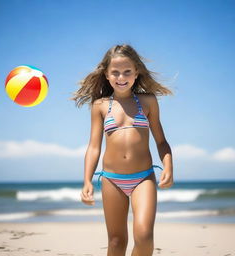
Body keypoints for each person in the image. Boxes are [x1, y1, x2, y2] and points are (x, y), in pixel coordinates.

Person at [72, 44, 174, 256]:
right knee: (117, 243)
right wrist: (87, 180)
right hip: (112, 180)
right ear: (107, 75)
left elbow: (161, 141)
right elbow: (93, 147)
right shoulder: (100, 105)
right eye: (115, 72)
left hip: (143, 178)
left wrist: (168, 167)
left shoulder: (148, 102)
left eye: (127, 71)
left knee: (144, 238)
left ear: (136, 72)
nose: (121, 77)